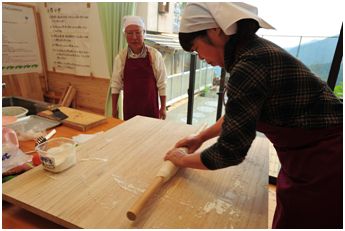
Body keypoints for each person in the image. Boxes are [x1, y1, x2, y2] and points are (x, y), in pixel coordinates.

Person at [164, 3, 342, 229]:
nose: (200, 57)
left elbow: (231, 151)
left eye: (197, 48)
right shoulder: (252, 51)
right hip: (309, 158)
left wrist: (183, 160)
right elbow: (240, 114)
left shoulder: (249, 64)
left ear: (215, 31)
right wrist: (200, 137)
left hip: (326, 163)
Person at [110, 16, 167, 120]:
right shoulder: (121, 58)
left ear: (144, 33)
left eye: (138, 32)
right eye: (130, 33)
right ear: (125, 35)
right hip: (130, 109)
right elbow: (115, 85)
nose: (134, 37)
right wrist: (114, 109)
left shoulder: (155, 56)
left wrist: (163, 107)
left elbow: (162, 83)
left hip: (150, 108)